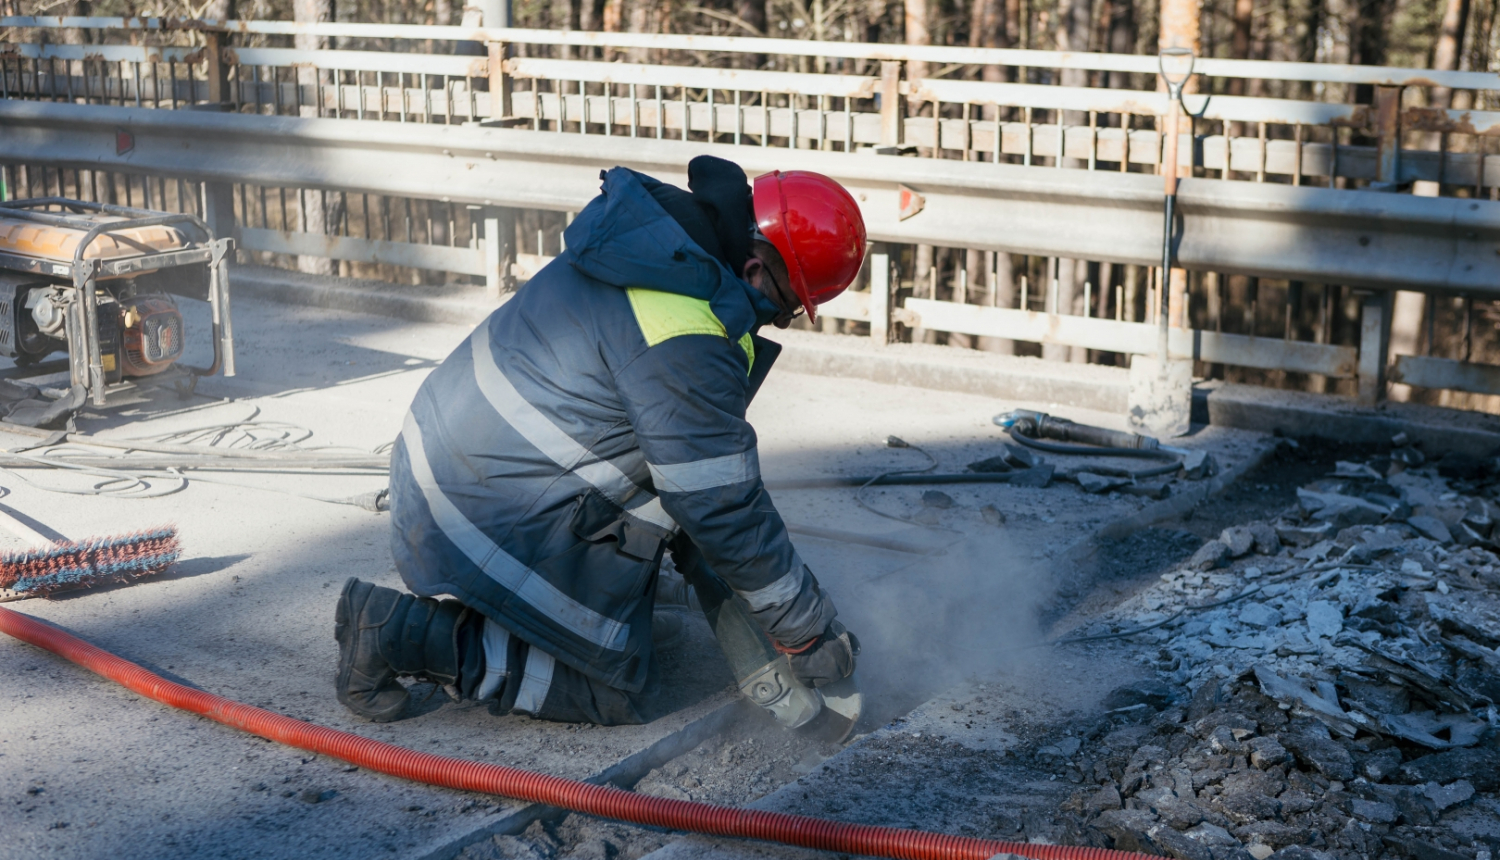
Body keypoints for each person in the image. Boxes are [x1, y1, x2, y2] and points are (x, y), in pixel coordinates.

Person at [335, 155, 867, 726]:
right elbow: (719, 505)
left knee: (676, 518)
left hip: (448, 467)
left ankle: (573, 620)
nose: (782, 322)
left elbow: (703, 483)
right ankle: (398, 633)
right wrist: (807, 634)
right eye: (789, 305)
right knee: (615, 691)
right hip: (477, 515)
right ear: (758, 268)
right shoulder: (688, 329)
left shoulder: (659, 248)